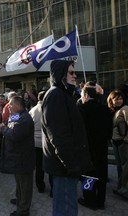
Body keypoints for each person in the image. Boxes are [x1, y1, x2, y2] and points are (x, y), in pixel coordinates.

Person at [42, 60, 93, 216]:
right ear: (61, 75)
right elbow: (58, 136)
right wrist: (71, 164)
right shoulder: (56, 94)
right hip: (64, 167)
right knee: (66, 209)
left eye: (74, 72)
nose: (75, 75)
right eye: (71, 72)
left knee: (68, 207)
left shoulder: (63, 93)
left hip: (67, 165)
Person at [0, 96, 35, 216]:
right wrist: (5, 124)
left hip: (23, 159)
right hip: (18, 158)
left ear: (19, 105)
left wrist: (3, 129)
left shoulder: (24, 118)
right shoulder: (18, 115)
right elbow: (9, 123)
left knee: (25, 186)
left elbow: (14, 134)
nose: (8, 106)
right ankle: (20, 201)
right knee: (20, 184)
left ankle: (23, 211)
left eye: (11, 104)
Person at [77, 82, 112, 210]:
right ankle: (100, 201)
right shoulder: (105, 109)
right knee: (102, 175)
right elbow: (109, 132)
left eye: (82, 95)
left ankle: (89, 200)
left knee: (88, 176)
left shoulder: (81, 109)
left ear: (86, 94)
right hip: (102, 147)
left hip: (88, 149)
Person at [29, 91, 53, 195]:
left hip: (36, 142)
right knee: (52, 167)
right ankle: (53, 189)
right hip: (48, 142)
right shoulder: (50, 108)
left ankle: (40, 186)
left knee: (39, 166)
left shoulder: (33, 110)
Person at [107, 90, 128, 199]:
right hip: (115, 142)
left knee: (125, 167)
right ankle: (121, 187)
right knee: (120, 167)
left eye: (121, 98)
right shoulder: (113, 111)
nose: (119, 101)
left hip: (123, 143)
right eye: (116, 99)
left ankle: (125, 190)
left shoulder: (125, 109)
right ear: (111, 100)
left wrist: (126, 140)